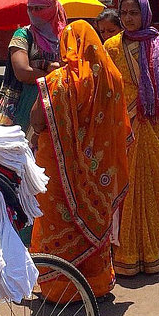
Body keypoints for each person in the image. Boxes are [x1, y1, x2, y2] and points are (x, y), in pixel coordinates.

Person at [28, 21, 130, 300]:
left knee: (57, 221)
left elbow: (37, 120)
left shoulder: (59, 82)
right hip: (100, 176)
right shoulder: (112, 77)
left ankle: (60, 288)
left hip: (59, 172)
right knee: (95, 223)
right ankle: (95, 284)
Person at [104, 0, 159, 275]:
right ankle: (124, 253)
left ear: (145, 13)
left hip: (151, 128)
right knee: (124, 191)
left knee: (158, 187)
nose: (128, 18)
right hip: (122, 127)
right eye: (124, 13)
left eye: (134, 13)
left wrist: (147, 100)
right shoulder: (111, 47)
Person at [0, 0, 65, 131]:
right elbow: (22, 72)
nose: (33, 13)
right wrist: (54, 74)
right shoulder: (23, 35)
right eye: (30, 8)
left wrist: (39, 69)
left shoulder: (65, 35)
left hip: (58, 103)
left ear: (53, 8)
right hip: (25, 104)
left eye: (39, 8)